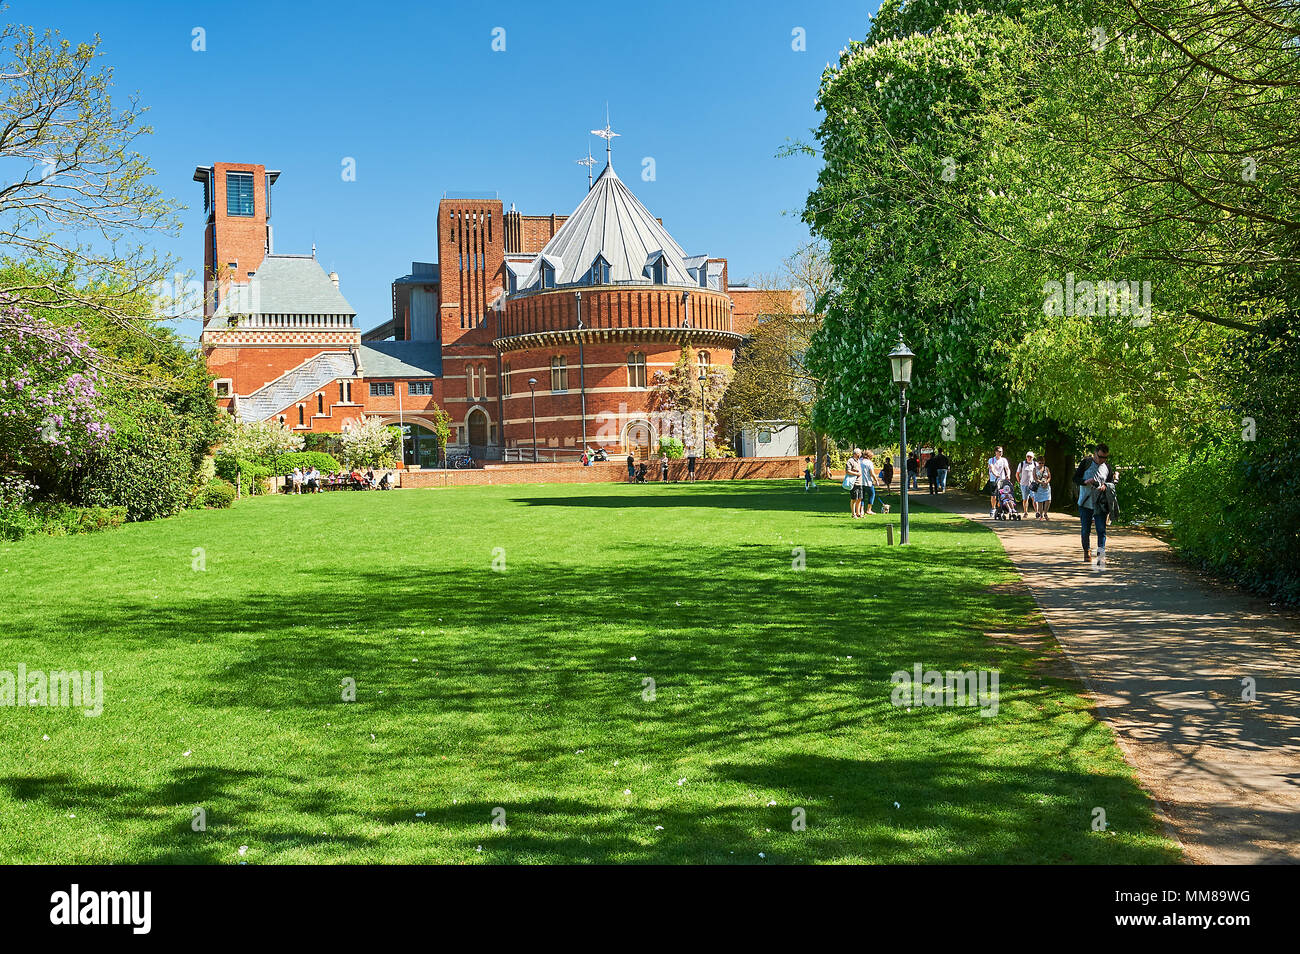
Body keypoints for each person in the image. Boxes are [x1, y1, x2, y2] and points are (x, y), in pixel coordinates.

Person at [1074, 443, 1118, 567]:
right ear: (1095, 453)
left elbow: (1110, 483)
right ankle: (1086, 551)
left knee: (1101, 530)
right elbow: (1075, 479)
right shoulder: (1085, 463)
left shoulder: (1107, 467)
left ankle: (1100, 557)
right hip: (1085, 503)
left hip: (1100, 504)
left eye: (1105, 458)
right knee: (1085, 530)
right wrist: (1085, 481)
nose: (1102, 460)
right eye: (1100, 457)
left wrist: (1105, 486)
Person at [986, 446, 1011, 517]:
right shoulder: (991, 460)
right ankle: (993, 508)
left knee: (1002, 495)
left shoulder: (1004, 460)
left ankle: (1000, 508)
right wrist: (995, 474)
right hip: (993, 480)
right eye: (999, 451)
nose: (1001, 453)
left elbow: (1007, 468)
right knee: (993, 495)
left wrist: (1008, 475)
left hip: (1002, 480)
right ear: (996, 452)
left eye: (1001, 451)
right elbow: (991, 467)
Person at [1016, 451, 1037, 517]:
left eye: (1030, 457)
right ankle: (1025, 512)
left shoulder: (1035, 464)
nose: (1029, 458)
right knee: (1025, 499)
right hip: (1023, 484)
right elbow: (1017, 473)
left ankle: (1037, 512)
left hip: (1032, 484)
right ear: (1026, 457)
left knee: (1034, 498)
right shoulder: (1022, 464)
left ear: (1033, 457)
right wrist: (1019, 481)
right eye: (1028, 456)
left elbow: (1039, 473)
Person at [846, 448, 865, 518]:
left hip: (860, 482)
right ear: (856, 454)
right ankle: (853, 514)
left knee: (860, 498)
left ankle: (858, 513)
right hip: (853, 483)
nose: (861, 454)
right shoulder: (850, 461)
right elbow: (847, 471)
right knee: (854, 499)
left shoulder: (858, 461)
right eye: (860, 453)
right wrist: (856, 474)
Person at [861, 450, 880, 515]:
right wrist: (876, 480)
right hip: (868, 482)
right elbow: (872, 473)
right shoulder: (869, 463)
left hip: (860, 482)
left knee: (862, 496)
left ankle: (861, 510)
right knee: (872, 494)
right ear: (869, 456)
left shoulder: (859, 461)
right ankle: (869, 509)